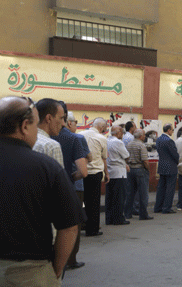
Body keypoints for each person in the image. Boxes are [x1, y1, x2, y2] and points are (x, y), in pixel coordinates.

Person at [0, 96, 85, 285]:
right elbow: (70, 226)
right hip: (27, 272)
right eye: (35, 126)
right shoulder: (46, 167)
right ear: (24, 126)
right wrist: (55, 270)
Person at [52, 106, 89, 271]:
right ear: (68, 121)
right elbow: (83, 170)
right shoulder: (75, 139)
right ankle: (70, 259)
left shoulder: (39, 137)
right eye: (74, 122)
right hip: (72, 187)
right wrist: (70, 178)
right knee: (72, 222)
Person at [80, 118, 109, 237]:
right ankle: (92, 229)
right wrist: (107, 173)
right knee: (93, 202)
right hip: (95, 172)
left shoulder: (80, 135)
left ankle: (82, 224)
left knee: (82, 200)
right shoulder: (102, 138)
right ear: (102, 128)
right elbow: (104, 158)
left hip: (81, 171)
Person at [124, 129, 153, 220]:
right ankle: (143, 214)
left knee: (130, 193)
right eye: (144, 135)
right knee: (143, 193)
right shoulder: (141, 145)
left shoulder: (129, 144)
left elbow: (126, 157)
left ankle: (127, 213)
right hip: (140, 170)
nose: (145, 137)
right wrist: (148, 169)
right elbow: (145, 161)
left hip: (130, 170)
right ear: (140, 136)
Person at [105, 126, 130, 225]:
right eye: (122, 132)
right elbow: (126, 156)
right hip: (119, 172)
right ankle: (118, 219)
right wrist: (126, 162)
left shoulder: (107, 140)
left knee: (110, 197)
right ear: (118, 132)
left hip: (110, 171)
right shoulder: (118, 142)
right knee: (119, 198)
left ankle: (109, 218)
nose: (123, 135)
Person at [154, 123, 181, 214]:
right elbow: (175, 154)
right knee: (170, 188)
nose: (172, 132)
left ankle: (158, 207)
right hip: (170, 166)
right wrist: (177, 161)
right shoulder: (169, 141)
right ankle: (166, 208)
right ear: (168, 130)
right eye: (172, 130)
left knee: (161, 187)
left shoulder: (159, 139)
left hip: (162, 165)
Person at [32, 98, 65, 167]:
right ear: (49, 118)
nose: (63, 124)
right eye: (61, 118)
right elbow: (57, 177)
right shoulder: (52, 146)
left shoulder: (26, 140)